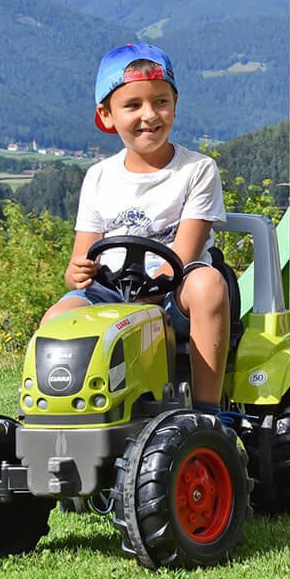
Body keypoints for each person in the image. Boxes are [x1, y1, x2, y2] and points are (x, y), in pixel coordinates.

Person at [42, 43, 232, 413]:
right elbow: (81, 261)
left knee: (208, 284)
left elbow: (183, 253)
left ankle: (208, 412)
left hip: (171, 293)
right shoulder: (99, 177)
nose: (150, 114)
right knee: (55, 319)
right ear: (107, 115)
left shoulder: (197, 170)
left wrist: (147, 296)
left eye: (160, 102)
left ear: (175, 103)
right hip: (110, 293)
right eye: (133, 106)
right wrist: (76, 272)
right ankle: (56, 412)